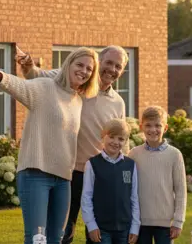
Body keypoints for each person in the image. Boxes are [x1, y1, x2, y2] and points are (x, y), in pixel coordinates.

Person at [0, 47, 100, 244]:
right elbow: (18, 85)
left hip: (63, 180)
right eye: (80, 65)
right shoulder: (45, 87)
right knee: (37, 240)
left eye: (89, 69)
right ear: (68, 65)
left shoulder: (78, 101)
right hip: (36, 174)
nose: (84, 71)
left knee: (55, 239)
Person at [17, 46, 128, 244]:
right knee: (62, 233)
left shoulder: (118, 102)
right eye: (109, 62)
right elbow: (37, 75)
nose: (112, 69)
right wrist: (27, 65)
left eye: (118, 66)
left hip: (98, 175)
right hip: (69, 173)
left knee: (97, 234)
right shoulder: (74, 83)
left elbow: (121, 139)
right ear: (98, 62)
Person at [127, 106, 187, 244]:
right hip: (139, 222)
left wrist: (178, 221)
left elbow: (180, 191)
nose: (153, 130)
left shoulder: (174, 155)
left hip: (165, 223)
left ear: (165, 128)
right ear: (142, 127)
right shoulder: (134, 154)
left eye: (157, 126)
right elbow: (128, 188)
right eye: (148, 125)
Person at [80, 118, 140, 244]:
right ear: (103, 136)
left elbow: (134, 197)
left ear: (125, 141)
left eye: (121, 139)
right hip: (100, 229)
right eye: (112, 137)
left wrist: (135, 226)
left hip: (125, 229)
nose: (115, 142)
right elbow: (86, 197)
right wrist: (91, 225)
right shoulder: (92, 164)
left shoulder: (130, 165)